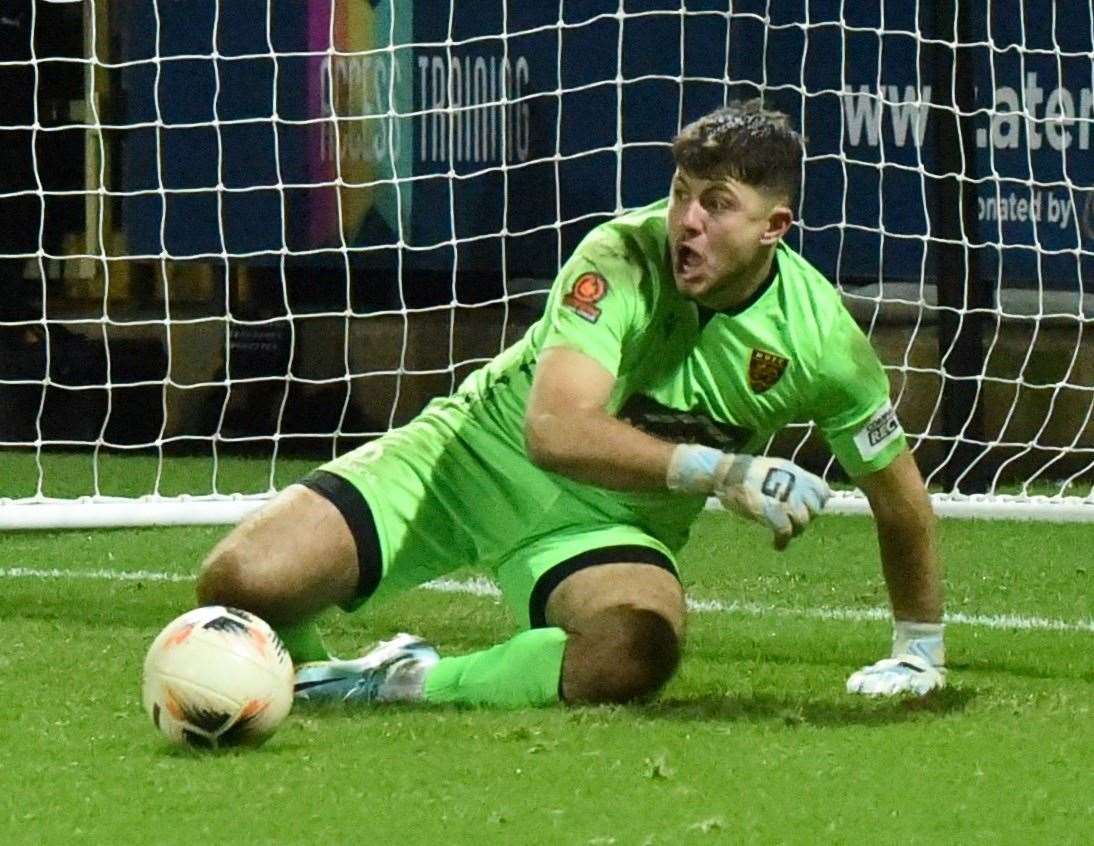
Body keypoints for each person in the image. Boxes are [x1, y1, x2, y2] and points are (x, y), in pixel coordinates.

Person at [196, 100, 945, 708]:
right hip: (466, 463)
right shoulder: (618, 255)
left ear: (773, 228)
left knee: (632, 649)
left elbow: (900, 497)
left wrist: (917, 651)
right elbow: (554, 430)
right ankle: (297, 676)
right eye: (683, 192)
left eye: (718, 205)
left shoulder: (821, 340)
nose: (686, 220)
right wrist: (724, 472)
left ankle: (394, 682)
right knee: (241, 584)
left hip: (605, 527)